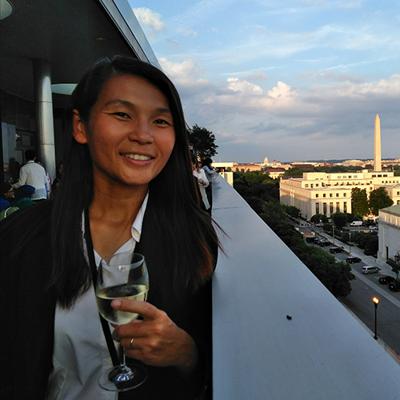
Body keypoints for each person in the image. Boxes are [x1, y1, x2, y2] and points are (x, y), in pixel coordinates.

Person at [0, 56, 219, 399]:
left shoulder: (196, 240)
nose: (143, 135)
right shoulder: (22, 237)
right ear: (81, 127)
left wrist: (187, 353)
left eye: (161, 121)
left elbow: (217, 358)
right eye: (122, 115)